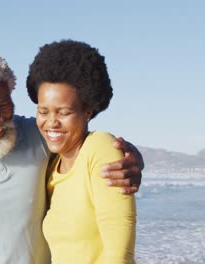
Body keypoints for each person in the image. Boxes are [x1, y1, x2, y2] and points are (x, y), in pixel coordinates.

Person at [0, 53, 143, 264]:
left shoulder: (39, 136)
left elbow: (84, 145)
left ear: (12, 98)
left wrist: (132, 158)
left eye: (3, 107)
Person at [27, 39, 136, 263]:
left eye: (63, 112)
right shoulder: (51, 164)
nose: (51, 122)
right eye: (43, 111)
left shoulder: (100, 148)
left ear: (87, 111)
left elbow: (119, 254)